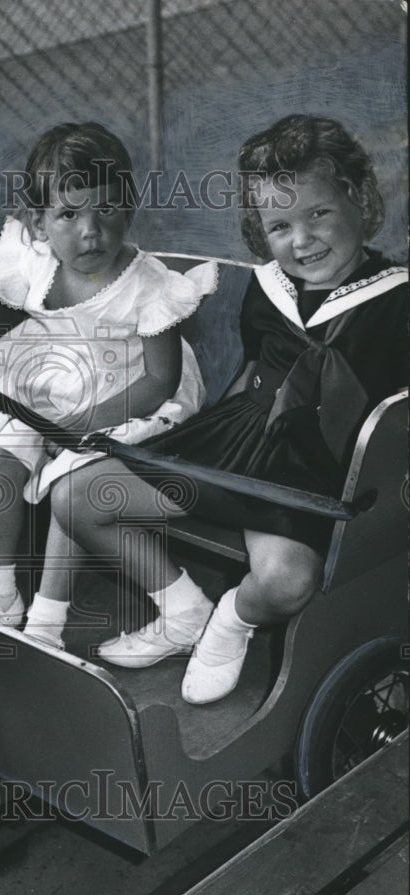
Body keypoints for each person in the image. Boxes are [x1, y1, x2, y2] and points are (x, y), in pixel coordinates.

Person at [51, 113, 408, 703]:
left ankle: (231, 619)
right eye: (280, 226)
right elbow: (250, 375)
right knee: (76, 495)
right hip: (241, 440)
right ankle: (182, 608)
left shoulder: (397, 299)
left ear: (358, 197)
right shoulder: (267, 289)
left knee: (286, 582)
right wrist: (189, 439)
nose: (302, 240)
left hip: (319, 471)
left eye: (318, 213)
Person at [0, 121, 216, 639]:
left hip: (128, 393)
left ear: (128, 210)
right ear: (38, 223)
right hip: (51, 374)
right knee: (2, 455)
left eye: (107, 210)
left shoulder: (150, 286)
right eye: (69, 214)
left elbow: (160, 380)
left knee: (72, 470)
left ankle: (48, 619)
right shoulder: (37, 258)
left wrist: (79, 424)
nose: (91, 231)